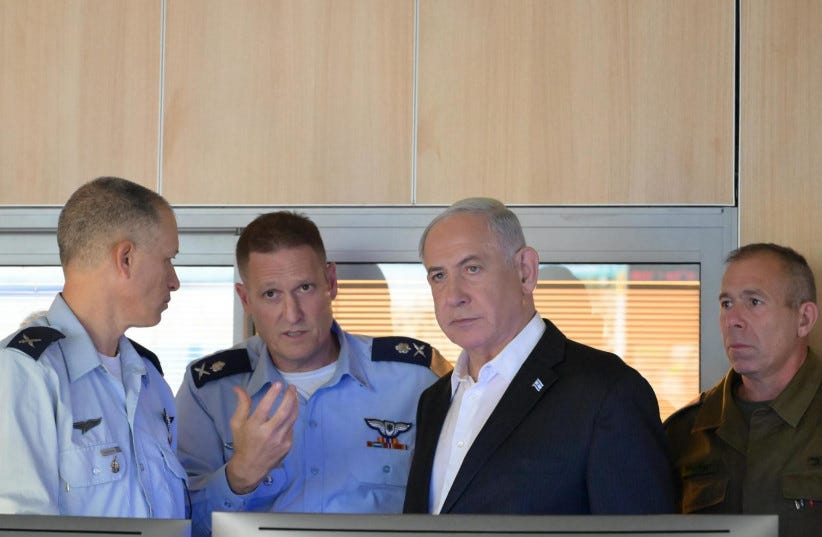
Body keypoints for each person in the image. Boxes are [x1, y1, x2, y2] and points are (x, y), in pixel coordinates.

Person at [176, 211, 450, 537]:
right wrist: (241, 474)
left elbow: (458, 503)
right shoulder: (209, 390)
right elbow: (180, 525)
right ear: (245, 299)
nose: (292, 314)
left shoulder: (415, 378)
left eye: (304, 287)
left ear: (331, 283)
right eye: (271, 294)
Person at [403, 197, 674, 514]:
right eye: (439, 276)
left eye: (472, 269)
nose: (454, 296)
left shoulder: (606, 393)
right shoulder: (433, 400)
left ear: (525, 272)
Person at [0, 176, 187, 517]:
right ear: (125, 258)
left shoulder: (150, 377)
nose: (174, 280)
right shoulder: (25, 371)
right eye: (167, 259)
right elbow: (21, 527)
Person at [664, 243, 822, 537]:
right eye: (726, 304)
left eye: (754, 302)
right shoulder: (684, 432)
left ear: (804, 319)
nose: (733, 320)